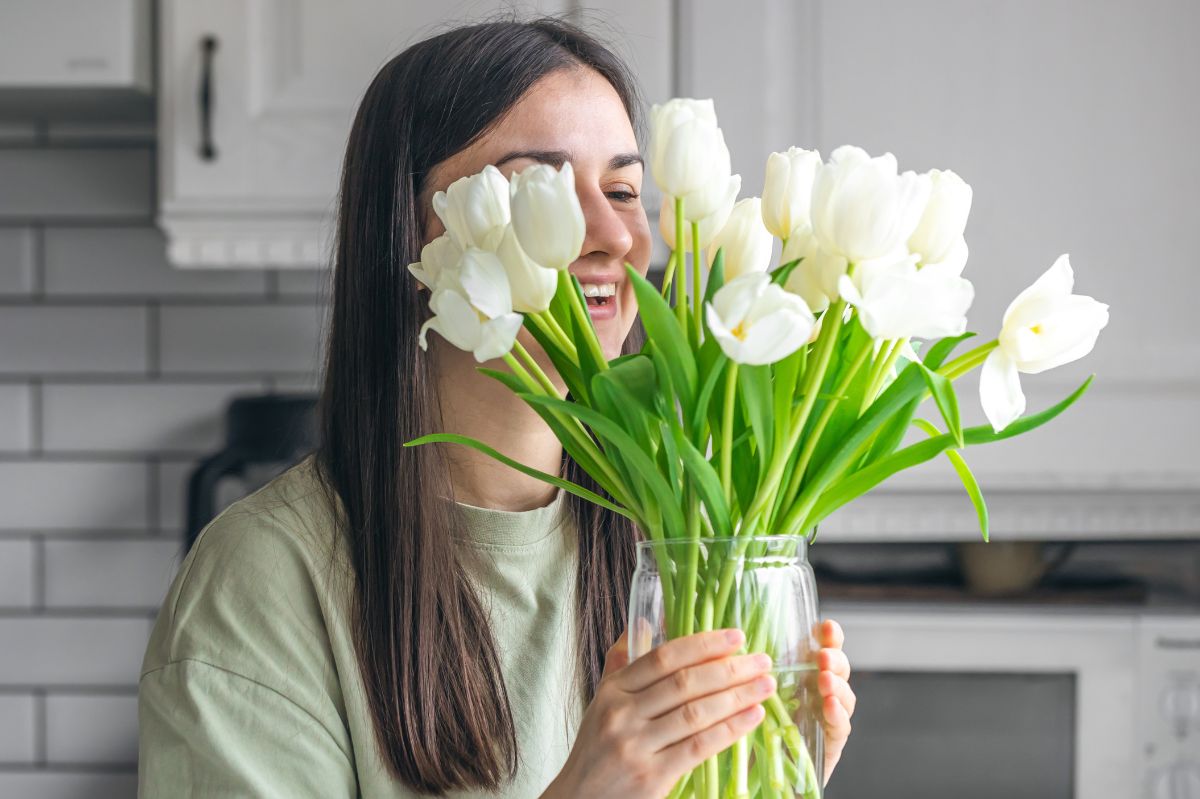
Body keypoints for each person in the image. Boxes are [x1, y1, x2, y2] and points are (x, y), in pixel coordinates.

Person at [138, 16, 855, 798]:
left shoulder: (680, 542)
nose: (612, 233)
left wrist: (763, 772)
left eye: (622, 189)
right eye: (540, 188)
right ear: (414, 240)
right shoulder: (264, 580)